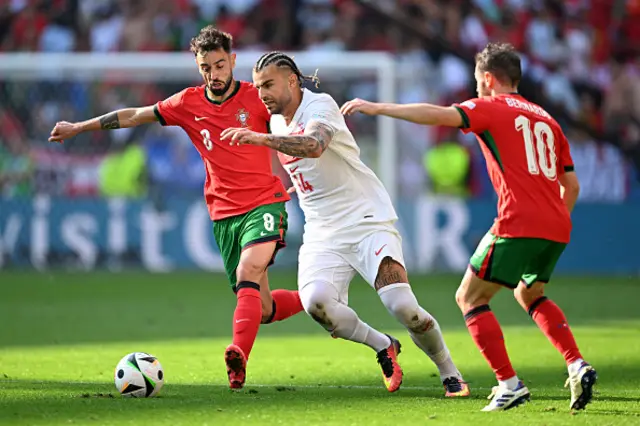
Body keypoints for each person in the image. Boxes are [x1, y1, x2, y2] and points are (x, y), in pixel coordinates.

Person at [340, 42, 596, 412]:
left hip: (518, 220)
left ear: (489, 79)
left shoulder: (490, 106)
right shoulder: (548, 119)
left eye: (478, 82)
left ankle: (509, 384)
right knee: (530, 293)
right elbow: (571, 186)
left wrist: (378, 107)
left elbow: (439, 115)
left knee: (469, 298)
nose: (476, 89)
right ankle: (576, 363)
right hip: (557, 223)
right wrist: (553, 220)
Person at [48, 26, 304, 390]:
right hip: (224, 214)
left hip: (265, 202)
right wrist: (78, 127)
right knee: (261, 308)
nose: (213, 75)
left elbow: (294, 123)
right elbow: (135, 114)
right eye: (205, 68)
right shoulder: (187, 103)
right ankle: (316, 299)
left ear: (232, 61)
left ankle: (238, 358)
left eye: (219, 65)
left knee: (249, 268)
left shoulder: (256, 97)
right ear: (197, 66)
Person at [221, 52, 469, 397]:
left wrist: (261, 139)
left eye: (269, 84)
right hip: (322, 232)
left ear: (292, 81)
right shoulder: (276, 121)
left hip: (366, 220)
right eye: (259, 85)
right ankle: (384, 346)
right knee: (316, 304)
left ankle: (449, 372)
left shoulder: (320, 105)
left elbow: (315, 145)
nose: (262, 93)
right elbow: (305, 166)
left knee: (403, 306)